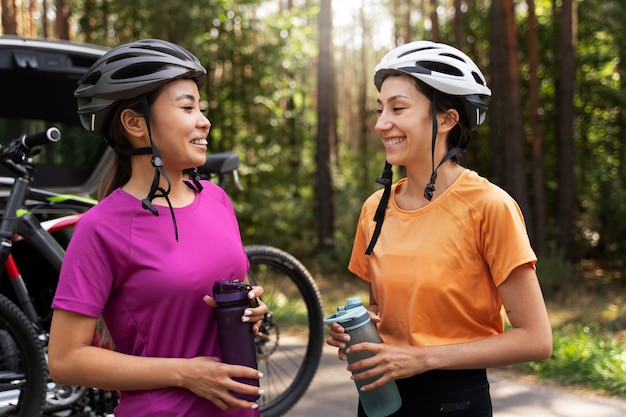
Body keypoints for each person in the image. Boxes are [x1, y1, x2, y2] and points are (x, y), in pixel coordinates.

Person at [326, 40, 553, 416]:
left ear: (447, 119)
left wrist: (421, 359)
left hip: (454, 402)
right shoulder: (374, 210)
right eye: (380, 109)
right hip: (378, 400)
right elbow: (384, 309)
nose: (382, 123)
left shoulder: (489, 207)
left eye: (398, 108)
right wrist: (361, 332)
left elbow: (536, 340)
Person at [48, 39, 267, 417]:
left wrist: (252, 310)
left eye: (201, 106)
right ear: (135, 123)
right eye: (187, 107)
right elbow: (65, 360)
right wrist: (185, 374)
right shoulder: (101, 228)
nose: (204, 120)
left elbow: (221, 297)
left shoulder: (216, 199)